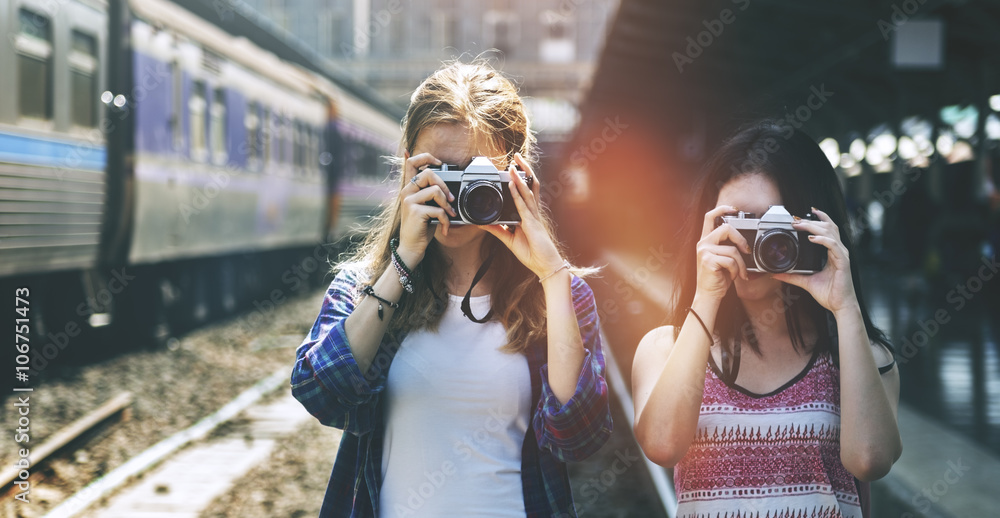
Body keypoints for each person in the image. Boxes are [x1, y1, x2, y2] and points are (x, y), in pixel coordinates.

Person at [291, 60, 612, 518]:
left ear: (515, 175)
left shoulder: (558, 294)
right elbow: (321, 394)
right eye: (438, 171)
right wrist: (402, 264)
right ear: (407, 170)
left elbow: (580, 435)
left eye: (472, 174)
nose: (452, 194)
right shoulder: (365, 285)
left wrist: (553, 276)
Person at [632, 121, 901, 517]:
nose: (750, 246)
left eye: (770, 227)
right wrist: (706, 297)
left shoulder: (862, 354)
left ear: (814, 228)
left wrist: (846, 310)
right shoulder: (665, 348)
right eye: (737, 225)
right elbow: (662, 446)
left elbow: (870, 461)